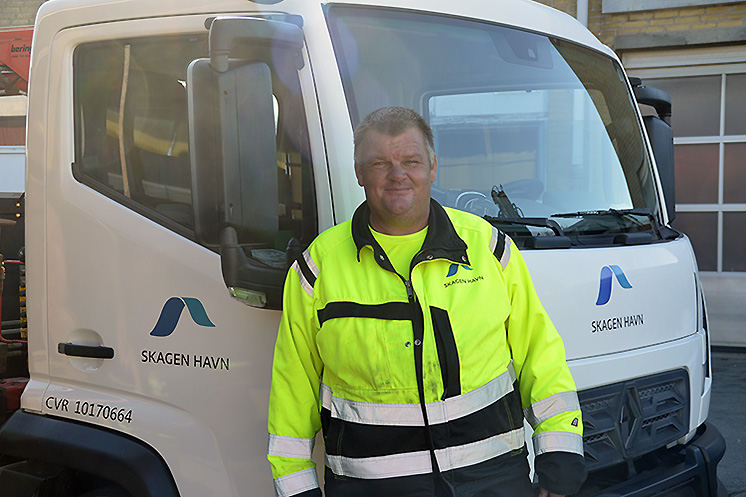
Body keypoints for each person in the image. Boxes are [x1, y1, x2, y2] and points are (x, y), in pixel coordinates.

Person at [267, 107, 587, 497]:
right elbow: (292, 389)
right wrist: (297, 488)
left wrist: (560, 455)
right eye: (380, 163)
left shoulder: (487, 249)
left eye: (411, 161)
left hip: (493, 481)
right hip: (372, 489)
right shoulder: (318, 269)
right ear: (359, 173)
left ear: (433, 167)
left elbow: (540, 356)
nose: (397, 174)